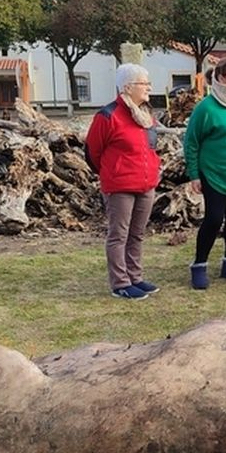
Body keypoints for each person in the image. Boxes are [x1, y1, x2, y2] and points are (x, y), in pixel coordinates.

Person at [85, 64, 161, 300]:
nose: (148, 87)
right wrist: (113, 172)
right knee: (119, 234)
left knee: (137, 234)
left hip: (146, 184)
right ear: (127, 87)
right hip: (120, 186)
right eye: (143, 83)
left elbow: (151, 146)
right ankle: (120, 282)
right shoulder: (107, 116)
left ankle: (135, 277)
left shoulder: (146, 115)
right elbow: (92, 152)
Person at [184, 55, 226, 289]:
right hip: (213, 173)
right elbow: (191, 142)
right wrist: (194, 173)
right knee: (214, 218)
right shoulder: (206, 107)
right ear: (222, 78)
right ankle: (199, 265)